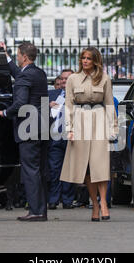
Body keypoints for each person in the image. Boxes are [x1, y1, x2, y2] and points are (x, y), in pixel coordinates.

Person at [60, 47, 118, 221]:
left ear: (95, 61)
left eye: (89, 58)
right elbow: (68, 105)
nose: (85, 61)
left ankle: (104, 203)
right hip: (79, 122)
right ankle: (94, 204)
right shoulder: (72, 79)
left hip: (100, 120)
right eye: (83, 58)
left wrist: (114, 129)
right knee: (86, 168)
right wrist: (69, 128)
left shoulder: (105, 79)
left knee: (100, 165)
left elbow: (109, 104)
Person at [0, 41, 49, 222]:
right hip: (42, 126)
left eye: (17, 55)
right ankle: (41, 210)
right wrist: (6, 55)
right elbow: (19, 75)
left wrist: (4, 112)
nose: (17, 57)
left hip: (28, 128)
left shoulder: (26, 77)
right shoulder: (38, 73)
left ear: (24, 57)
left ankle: (35, 211)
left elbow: (20, 103)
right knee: (40, 170)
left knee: (30, 170)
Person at [47, 69, 75, 210]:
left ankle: (68, 200)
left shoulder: (79, 96)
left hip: (71, 138)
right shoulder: (51, 94)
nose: (64, 81)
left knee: (69, 170)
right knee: (54, 170)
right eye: (62, 79)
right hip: (54, 137)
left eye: (67, 79)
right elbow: (37, 111)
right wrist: (47, 106)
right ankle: (53, 200)